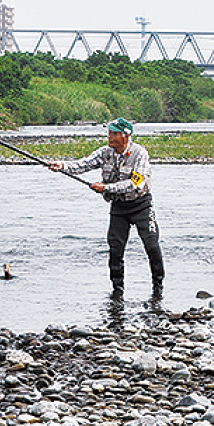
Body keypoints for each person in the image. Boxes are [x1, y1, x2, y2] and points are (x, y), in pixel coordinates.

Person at [48, 118, 166, 297]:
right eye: (109, 132)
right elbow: (84, 164)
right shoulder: (105, 152)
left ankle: (158, 288)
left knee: (151, 244)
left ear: (125, 136)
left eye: (114, 133)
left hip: (141, 205)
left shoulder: (140, 153)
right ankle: (117, 291)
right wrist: (62, 166)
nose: (109, 137)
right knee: (115, 248)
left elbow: (135, 183)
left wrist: (106, 188)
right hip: (118, 207)